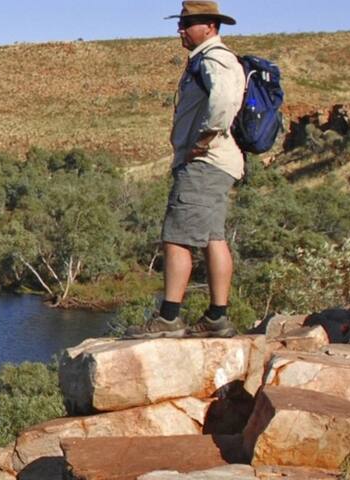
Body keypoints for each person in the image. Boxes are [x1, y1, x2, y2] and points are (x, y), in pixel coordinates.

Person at [132, 1, 246, 338]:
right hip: (218, 163)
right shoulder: (212, 58)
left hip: (204, 163)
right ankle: (217, 317)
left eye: (187, 24)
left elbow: (223, 100)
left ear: (210, 26)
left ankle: (169, 319)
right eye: (181, 24)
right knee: (213, 238)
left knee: (176, 237)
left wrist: (204, 139)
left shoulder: (214, 58)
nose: (180, 30)